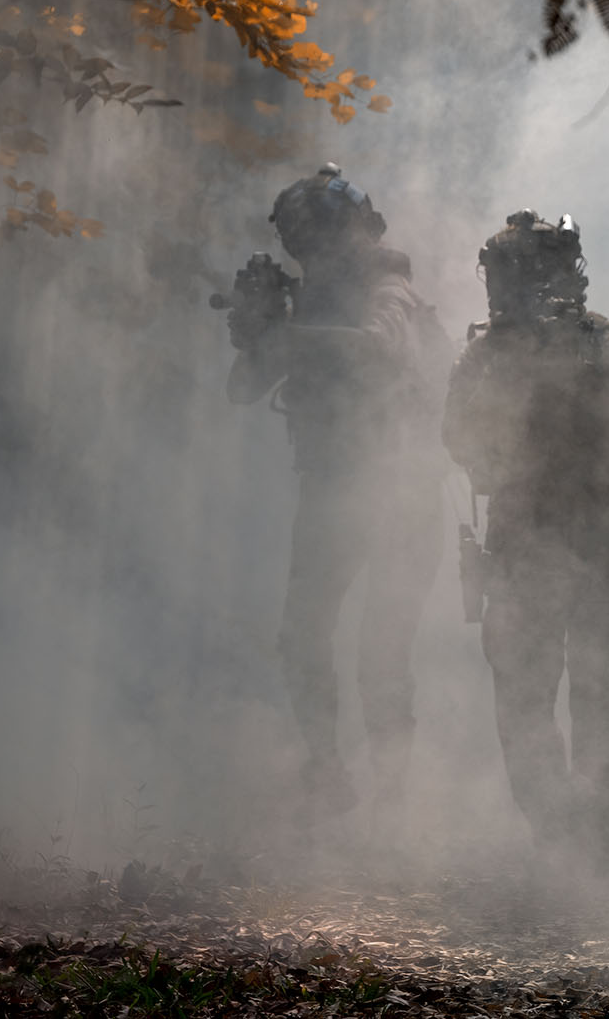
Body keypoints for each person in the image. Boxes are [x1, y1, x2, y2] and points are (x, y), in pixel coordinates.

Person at [217, 164, 445, 820]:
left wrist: (283, 333)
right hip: (331, 490)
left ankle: (394, 801)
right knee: (302, 637)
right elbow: (243, 387)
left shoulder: (389, 286)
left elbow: (382, 350)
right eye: (301, 241)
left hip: (400, 491)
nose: (311, 252)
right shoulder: (314, 303)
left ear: (352, 231)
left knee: (382, 654)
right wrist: (261, 328)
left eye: (319, 236)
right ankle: (327, 771)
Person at [443, 211, 609, 871]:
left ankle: (602, 851)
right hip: (520, 546)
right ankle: (559, 838)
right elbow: (457, 435)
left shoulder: (601, 342)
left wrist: (586, 388)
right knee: (523, 698)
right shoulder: (486, 354)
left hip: (600, 546)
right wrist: (514, 391)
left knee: (597, 692)